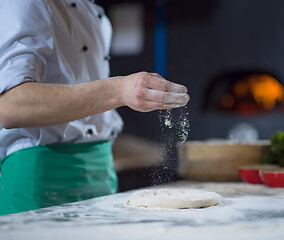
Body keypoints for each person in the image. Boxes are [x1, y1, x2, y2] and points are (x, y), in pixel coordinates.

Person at [0, 0, 189, 215]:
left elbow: (91, 122)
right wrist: (119, 90)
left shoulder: (94, 12)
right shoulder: (28, 3)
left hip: (101, 175)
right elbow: (10, 105)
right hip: (42, 178)